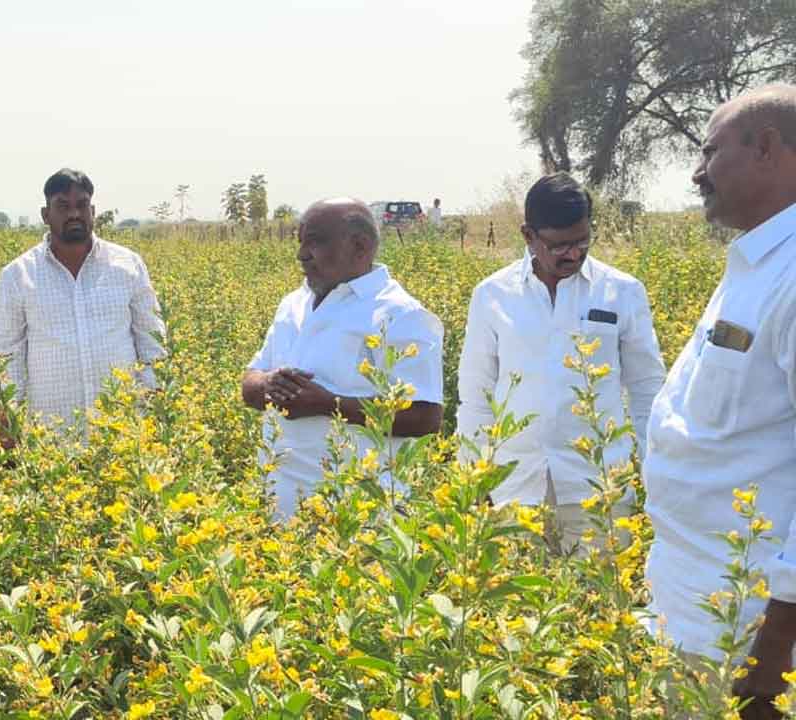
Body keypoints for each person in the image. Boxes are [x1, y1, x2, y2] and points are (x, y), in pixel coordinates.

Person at [643, 83, 796, 719]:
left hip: (747, 630)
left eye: (710, 152)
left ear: (765, 149)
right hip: (695, 604)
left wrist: (775, 649)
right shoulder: (758, 264)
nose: (697, 172)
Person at [457, 173, 665, 554]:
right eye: (558, 245)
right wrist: (474, 479)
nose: (572, 254)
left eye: (581, 242)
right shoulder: (492, 295)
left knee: (599, 606)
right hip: (514, 486)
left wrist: (657, 475)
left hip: (597, 487)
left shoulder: (622, 291)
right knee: (515, 607)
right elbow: (475, 394)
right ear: (528, 236)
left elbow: (647, 389)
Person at [241, 198, 444, 520]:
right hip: (279, 503)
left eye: (316, 242)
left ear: (360, 247)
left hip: (359, 511)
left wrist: (328, 404)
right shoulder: (293, 304)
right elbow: (250, 382)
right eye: (300, 242)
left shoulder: (399, 314)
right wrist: (267, 384)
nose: (301, 254)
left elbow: (425, 417)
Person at [0, 169, 167, 430]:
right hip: (53, 435)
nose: (74, 214)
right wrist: (7, 422)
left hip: (123, 433)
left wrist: (156, 408)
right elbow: (7, 354)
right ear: (46, 215)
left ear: (92, 211)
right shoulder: (18, 275)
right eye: (63, 206)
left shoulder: (127, 264)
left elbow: (152, 341)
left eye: (82, 205)